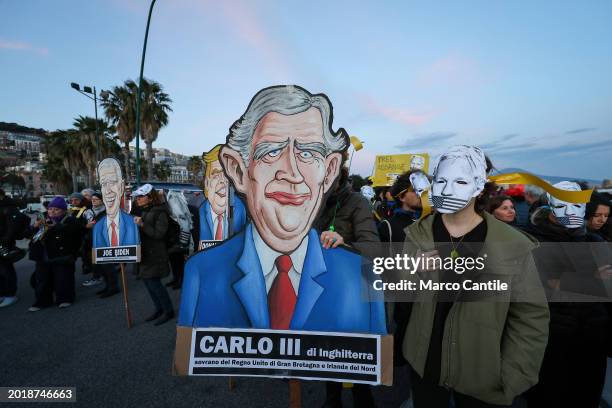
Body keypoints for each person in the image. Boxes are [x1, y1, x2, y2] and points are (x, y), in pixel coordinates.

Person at [178, 85, 386, 334]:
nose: (293, 173)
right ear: (237, 169)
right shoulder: (202, 274)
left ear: (329, 171)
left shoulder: (360, 278)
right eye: (272, 151)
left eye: (308, 153)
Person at [402, 145, 549, 408]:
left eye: (460, 181)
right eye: (441, 180)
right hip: (425, 370)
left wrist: (513, 376)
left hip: (483, 379)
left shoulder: (512, 244)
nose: (447, 190)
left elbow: (530, 316)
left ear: (479, 185)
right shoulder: (416, 235)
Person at [524, 181, 611, 408]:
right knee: (549, 397)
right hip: (550, 338)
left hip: (593, 337)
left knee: (586, 396)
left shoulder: (594, 240)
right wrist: (591, 280)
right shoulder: (532, 240)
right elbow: (539, 286)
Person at [314, 164, 381, 408]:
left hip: (352, 292)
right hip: (321, 290)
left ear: (338, 177)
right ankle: (332, 400)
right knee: (327, 350)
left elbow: (373, 248)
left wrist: (344, 244)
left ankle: (363, 400)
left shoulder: (357, 202)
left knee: (355, 352)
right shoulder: (311, 199)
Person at [27, 197, 84, 311]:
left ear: (63, 210)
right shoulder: (41, 218)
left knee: (63, 279)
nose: (52, 211)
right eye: (50, 209)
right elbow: (27, 235)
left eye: (56, 209)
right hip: (42, 255)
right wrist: (34, 226)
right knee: (42, 280)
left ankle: (65, 299)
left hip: (62, 254)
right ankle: (42, 302)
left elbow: (75, 232)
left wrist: (56, 226)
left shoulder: (70, 220)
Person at [133, 184, 174, 326]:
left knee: (154, 283)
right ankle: (159, 308)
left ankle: (168, 311)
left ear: (150, 198)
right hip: (146, 252)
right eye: (137, 197)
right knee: (148, 283)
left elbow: (159, 234)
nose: (137, 199)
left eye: (140, 196)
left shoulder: (161, 212)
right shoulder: (145, 210)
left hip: (156, 254)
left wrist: (143, 225)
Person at [193, 144, 247, 250]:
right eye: (216, 175)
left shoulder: (241, 210)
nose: (222, 180)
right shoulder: (201, 212)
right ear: (207, 182)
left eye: (226, 175)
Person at [92, 158, 140, 248]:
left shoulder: (132, 224)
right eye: (103, 184)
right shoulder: (97, 227)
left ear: (121, 186)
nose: (108, 191)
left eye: (112, 182)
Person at [0, 189, 22, 308]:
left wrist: (5, 241)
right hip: (3, 241)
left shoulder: (9, 207)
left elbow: (12, 228)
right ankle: (2, 293)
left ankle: (10, 294)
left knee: (6, 269)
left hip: (4, 243)